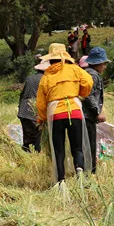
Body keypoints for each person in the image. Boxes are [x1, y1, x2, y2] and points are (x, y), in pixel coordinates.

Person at [36, 43, 93, 182]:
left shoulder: (47, 76)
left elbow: (41, 102)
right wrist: (80, 93)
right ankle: (79, 170)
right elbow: (88, 82)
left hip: (56, 113)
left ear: (50, 59)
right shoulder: (75, 69)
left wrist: (42, 118)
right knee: (77, 147)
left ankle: (61, 180)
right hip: (74, 110)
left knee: (59, 150)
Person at [80, 47, 110, 174]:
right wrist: (97, 112)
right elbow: (88, 94)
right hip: (87, 116)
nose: (104, 67)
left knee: (85, 145)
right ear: (97, 63)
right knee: (89, 145)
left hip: (84, 115)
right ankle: (90, 173)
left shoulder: (87, 73)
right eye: (103, 64)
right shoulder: (93, 75)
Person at [18, 61, 49, 153]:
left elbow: (23, 94)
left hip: (24, 108)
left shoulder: (29, 78)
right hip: (35, 110)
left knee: (27, 134)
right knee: (38, 134)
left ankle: (26, 151)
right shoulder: (45, 79)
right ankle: (37, 152)